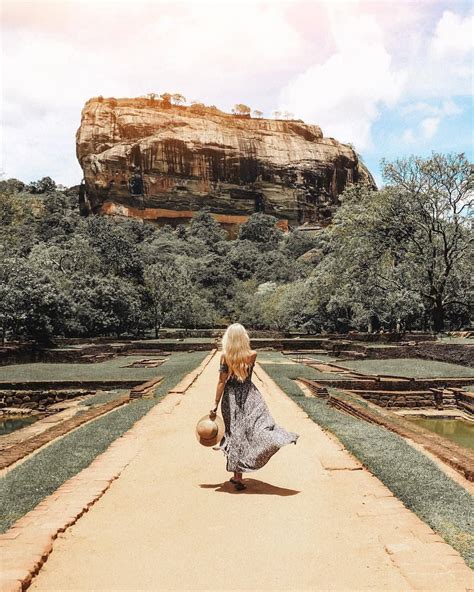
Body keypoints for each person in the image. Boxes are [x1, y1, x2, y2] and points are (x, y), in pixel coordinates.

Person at [210, 323, 299, 491]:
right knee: (257, 428)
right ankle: (275, 441)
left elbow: (222, 381)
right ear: (244, 338)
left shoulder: (225, 356)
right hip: (250, 395)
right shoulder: (252, 355)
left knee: (235, 433)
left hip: (231, 397)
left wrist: (214, 403)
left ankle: (238, 476)